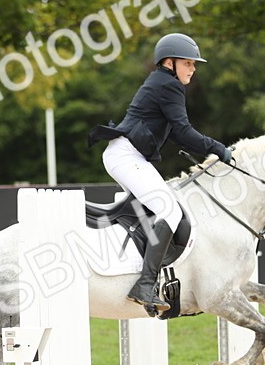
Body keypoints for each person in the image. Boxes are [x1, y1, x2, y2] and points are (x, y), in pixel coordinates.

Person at [87, 32, 234, 315]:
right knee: (169, 210)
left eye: (194, 64)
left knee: (160, 210)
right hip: (126, 157)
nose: (193, 68)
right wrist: (218, 149)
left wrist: (210, 150)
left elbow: (178, 135)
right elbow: (183, 131)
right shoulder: (168, 85)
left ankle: (141, 271)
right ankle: (145, 285)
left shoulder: (164, 83)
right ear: (170, 62)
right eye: (188, 63)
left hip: (127, 156)